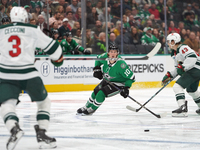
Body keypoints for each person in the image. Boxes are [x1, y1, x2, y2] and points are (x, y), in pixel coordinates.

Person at [0, 7, 64, 150]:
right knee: (44, 103)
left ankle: (14, 129)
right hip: (28, 73)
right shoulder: (32, 29)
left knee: (6, 103)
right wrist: (57, 59)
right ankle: (42, 134)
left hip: (6, 73)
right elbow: (55, 50)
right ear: (25, 18)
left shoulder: (1, 31)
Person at [76, 44, 135, 115]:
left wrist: (126, 88)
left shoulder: (121, 65)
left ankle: (92, 109)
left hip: (118, 83)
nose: (113, 54)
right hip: (107, 80)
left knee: (101, 93)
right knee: (96, 91)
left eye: (115, 52)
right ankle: (86, 106)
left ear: (117, 53)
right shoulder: (104, 57)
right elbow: (98, 58)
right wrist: (97, 69)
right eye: (111, 52)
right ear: (108, 53)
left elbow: (131, 77)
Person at [161, 33, 200, 117]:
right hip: (196, 70)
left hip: (195, 69)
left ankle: (182, 108)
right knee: (192, 90)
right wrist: (170, 75)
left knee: (177, 87)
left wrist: (183, 67)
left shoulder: (183, 47)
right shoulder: (174, 53)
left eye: (169, 41)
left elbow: (192, 58)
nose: (168, 43)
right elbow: (177, 67)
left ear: (174, 41)